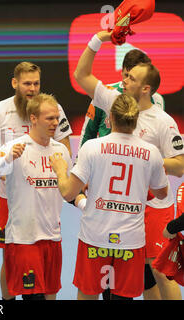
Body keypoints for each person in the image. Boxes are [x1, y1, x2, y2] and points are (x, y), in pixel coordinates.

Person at [74, 30, 184, 300]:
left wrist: (145, 161)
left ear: (146, 88)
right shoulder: (114, 101)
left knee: (158, 271)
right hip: (116, 205)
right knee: (126, 277)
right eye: (125, 74)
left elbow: (180, 165)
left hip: (152, 207)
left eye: (130, 78)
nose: (123, 80)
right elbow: (82, 76)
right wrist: (98, 39)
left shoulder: (163, 121)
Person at [50, 93, 169, 300]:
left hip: (94, 238)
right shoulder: (151, 152)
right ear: (136, 119)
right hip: (131, 241)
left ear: (110, 118)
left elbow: (68, 192)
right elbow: (161, 192)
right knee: (123, 297)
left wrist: (61, 170)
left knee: (89, 294)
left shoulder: (92, 148)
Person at [0, 61, 73, 300]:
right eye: (27, 83)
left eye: (36, 83)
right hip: (8, 197)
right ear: (15, 83)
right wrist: (6, 162)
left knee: (45, 270)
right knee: (11, 256)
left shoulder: (52, 109)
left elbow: (64, 151)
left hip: (43, 195)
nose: (32, 88)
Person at [78, 49, 165, 149]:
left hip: (140, 159)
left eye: (133, 78)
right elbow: (88, 132)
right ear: (122, 71)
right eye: (127, 75)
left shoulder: (157, 100)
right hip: (105, 158)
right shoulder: (107, 94)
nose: (126, 81)